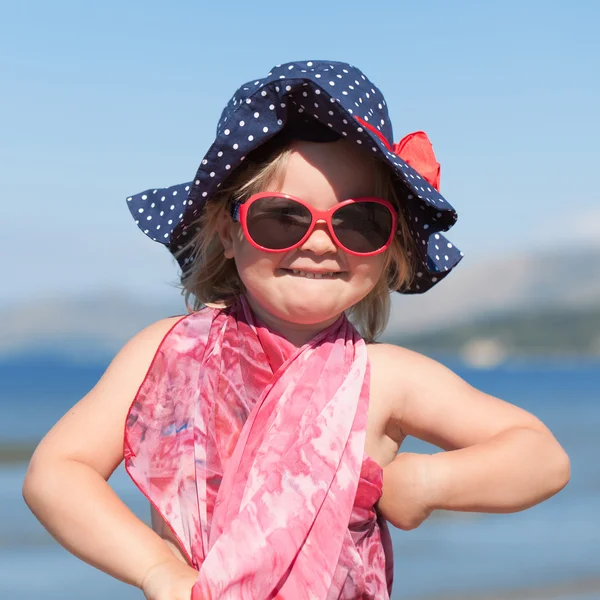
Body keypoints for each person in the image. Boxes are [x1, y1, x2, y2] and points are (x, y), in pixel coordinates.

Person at [22, 60, 570, 600]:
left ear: (391, 247)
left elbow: (541, 457)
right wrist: (156, 569)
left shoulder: (384, 377)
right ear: (227, 229)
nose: (319, 242)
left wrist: (424, 484)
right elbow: (56, 473)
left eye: (359, 222)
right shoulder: (168, 352)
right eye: (282, 216)